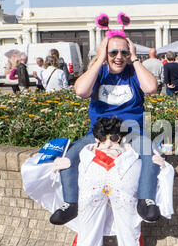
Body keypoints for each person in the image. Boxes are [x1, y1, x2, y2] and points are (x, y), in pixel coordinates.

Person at [50, 35, 161, 226]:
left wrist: (135, 59)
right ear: (105, 53)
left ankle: (146, 200)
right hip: (98, 134)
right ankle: (70, 202)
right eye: (113, 52)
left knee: (148, 153)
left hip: (131, 133)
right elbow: (81, 91)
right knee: (70, 156)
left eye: (124, 52)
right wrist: (100, 59)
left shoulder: (133, 72)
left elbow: (151, 87)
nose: (119, 56)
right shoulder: (99, 73)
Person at [68, 116, 174, 246]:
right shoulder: (86, 154)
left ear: (121, 138)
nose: (108, 143)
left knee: (129, 226)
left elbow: (153, 170)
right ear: (96, 139)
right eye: (103, 139)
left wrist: (161, 166)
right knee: (87, 226)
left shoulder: (132, 155)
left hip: (124, 200)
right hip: (92, 198)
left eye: (114, 138)